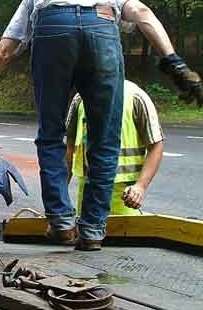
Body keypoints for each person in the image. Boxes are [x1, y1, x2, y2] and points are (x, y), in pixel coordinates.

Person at [0, 0, 201, 250]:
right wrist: (174, 61)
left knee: (51, 135)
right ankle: (93, 230)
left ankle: (62, 223)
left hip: (51, 25)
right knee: (105, 139)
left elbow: (3, 52)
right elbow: (142, 13)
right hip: (102, 25)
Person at [67, 80, 164, 221]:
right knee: (88, 237)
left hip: (124, 193)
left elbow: (156, 145)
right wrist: (60, 195)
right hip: (88, 189)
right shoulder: (80, 98)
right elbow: (69, 146)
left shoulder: (136, 97)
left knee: (122, 238)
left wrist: (140, 186)